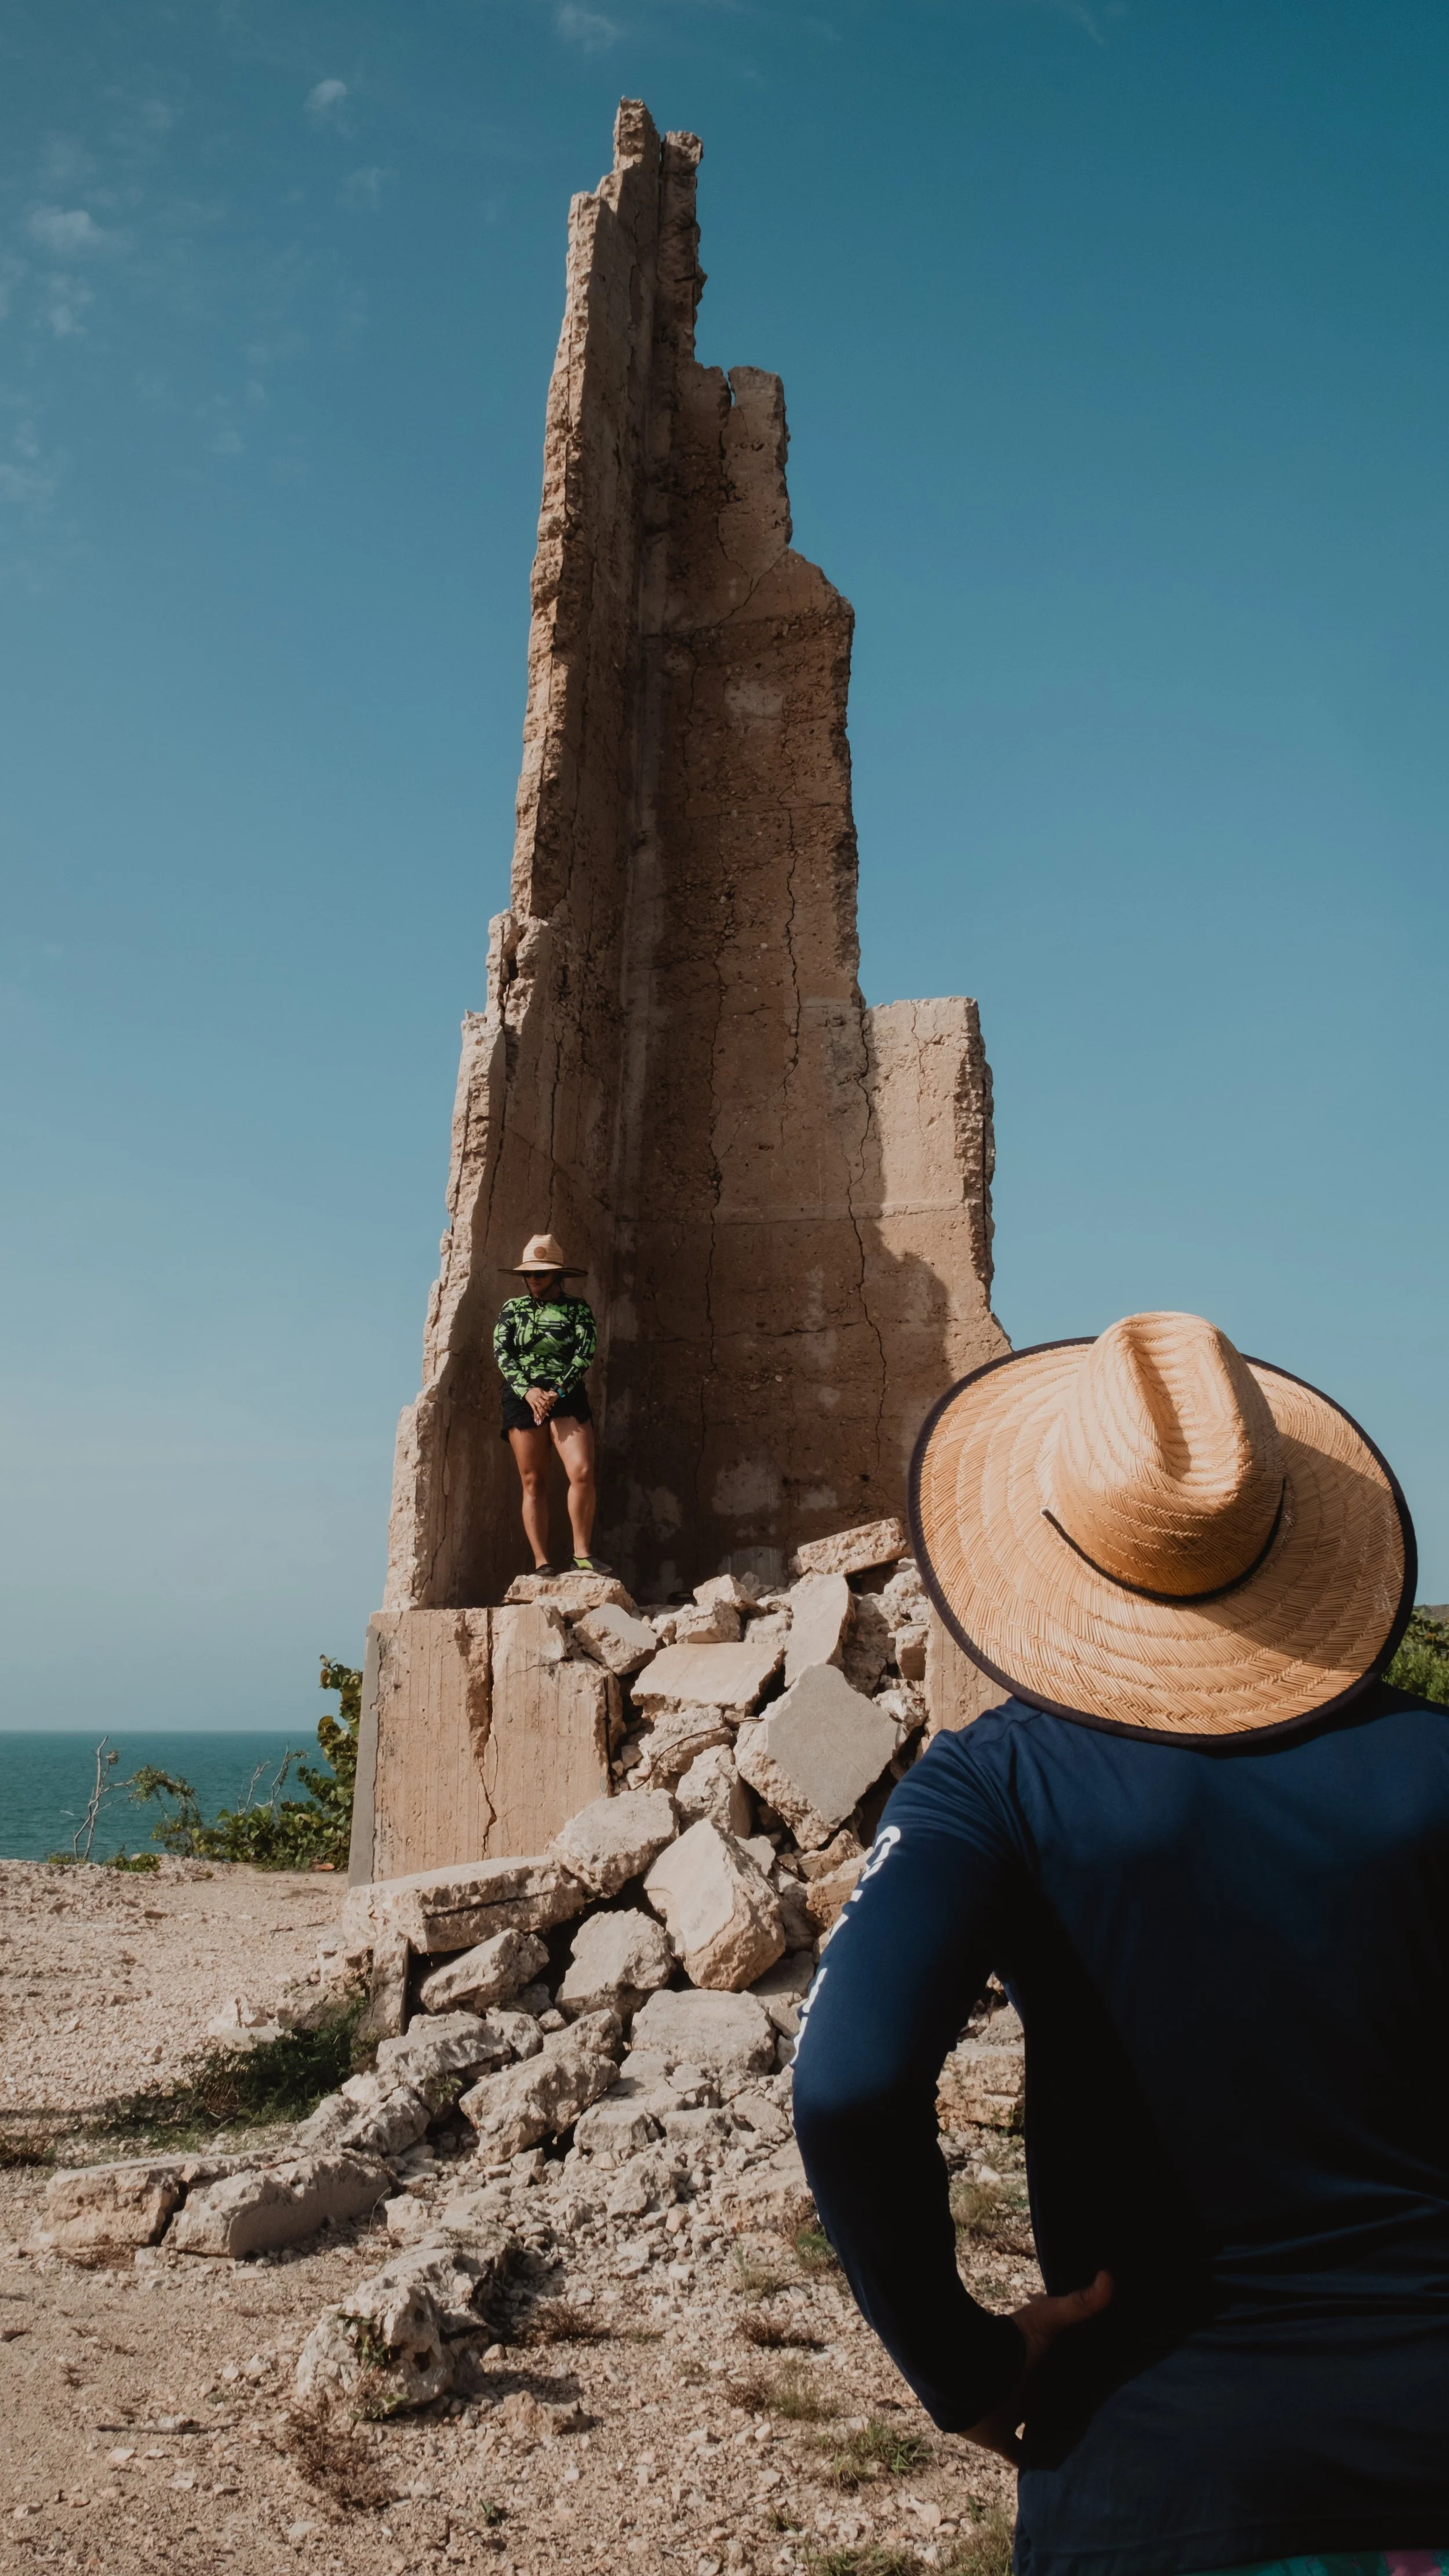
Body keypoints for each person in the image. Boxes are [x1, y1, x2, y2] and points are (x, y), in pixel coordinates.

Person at [791, 1309, 1447, 2576]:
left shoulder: (993, 1787)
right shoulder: (1430, 1762)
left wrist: (962, 2366)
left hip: (1164, 2469)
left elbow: (847, 2080)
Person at [493, 1231, 607, 1576]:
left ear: (557, 1274)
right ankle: (542, 1562)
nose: (533, 1279)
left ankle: (582, 1554)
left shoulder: (577, 1309)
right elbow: (502, 1352)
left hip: (566, 1394)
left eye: (540, 1273)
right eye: (529, 1273)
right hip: (522, 1397)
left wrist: (557, 1390)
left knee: (582, 1472)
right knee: (533, 1481)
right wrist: (528, 1391)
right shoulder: (512, 1309)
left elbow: (585, 1352)